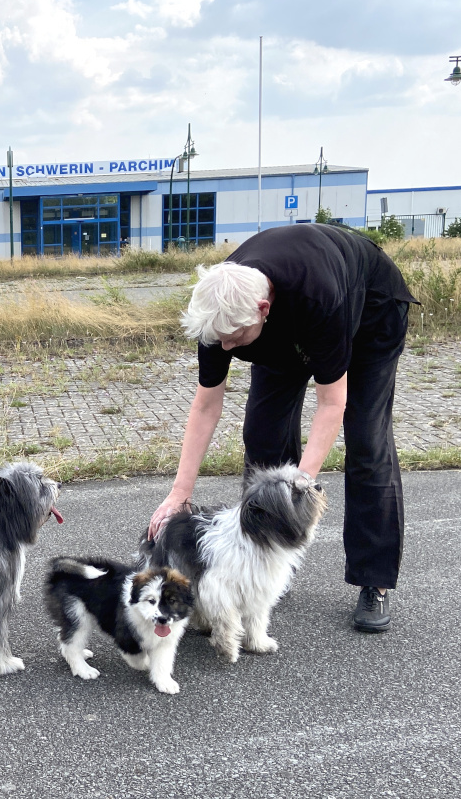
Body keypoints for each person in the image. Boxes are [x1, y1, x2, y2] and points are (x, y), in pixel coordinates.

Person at [149, 223, 418, 632]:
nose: (225, 348)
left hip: (369, 315)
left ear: (261, 309)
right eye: (218, 340)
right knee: (263, 434)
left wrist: (299, 487)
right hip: (283, 325)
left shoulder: (319, 296)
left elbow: (331, 403)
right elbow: (206, 406)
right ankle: (267, 556)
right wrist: (179, 492)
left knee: (367, 441)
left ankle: (374, 581)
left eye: (233, 339)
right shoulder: (219, 312)